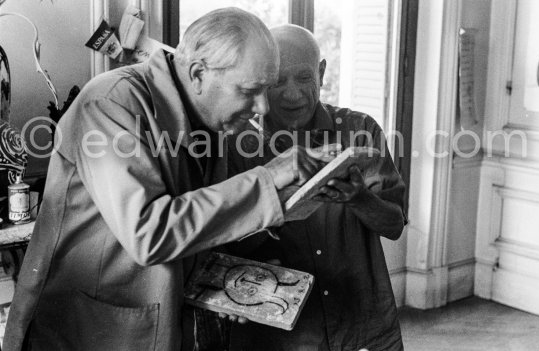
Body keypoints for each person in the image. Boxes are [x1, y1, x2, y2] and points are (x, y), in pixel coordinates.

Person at [3, 10, 335, 351]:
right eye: (250, 90)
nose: (263, 107)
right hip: (89, 330)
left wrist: (228, 281)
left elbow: (197, 225)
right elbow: (149, 233)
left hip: (161, 323)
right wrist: (266, 179)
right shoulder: (110, 103)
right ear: (198, 73)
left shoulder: (209, 117)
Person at [227, 24, 407, 351]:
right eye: (278, 81)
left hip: (362, 327)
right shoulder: (237, 144)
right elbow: (221, 247)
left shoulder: (361, 130)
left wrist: (360, 199)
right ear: (261, 80)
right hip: (281, 334)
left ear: (321, 73)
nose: (292, 94)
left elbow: (394, 225)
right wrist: (276, 211)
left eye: (304, 78)